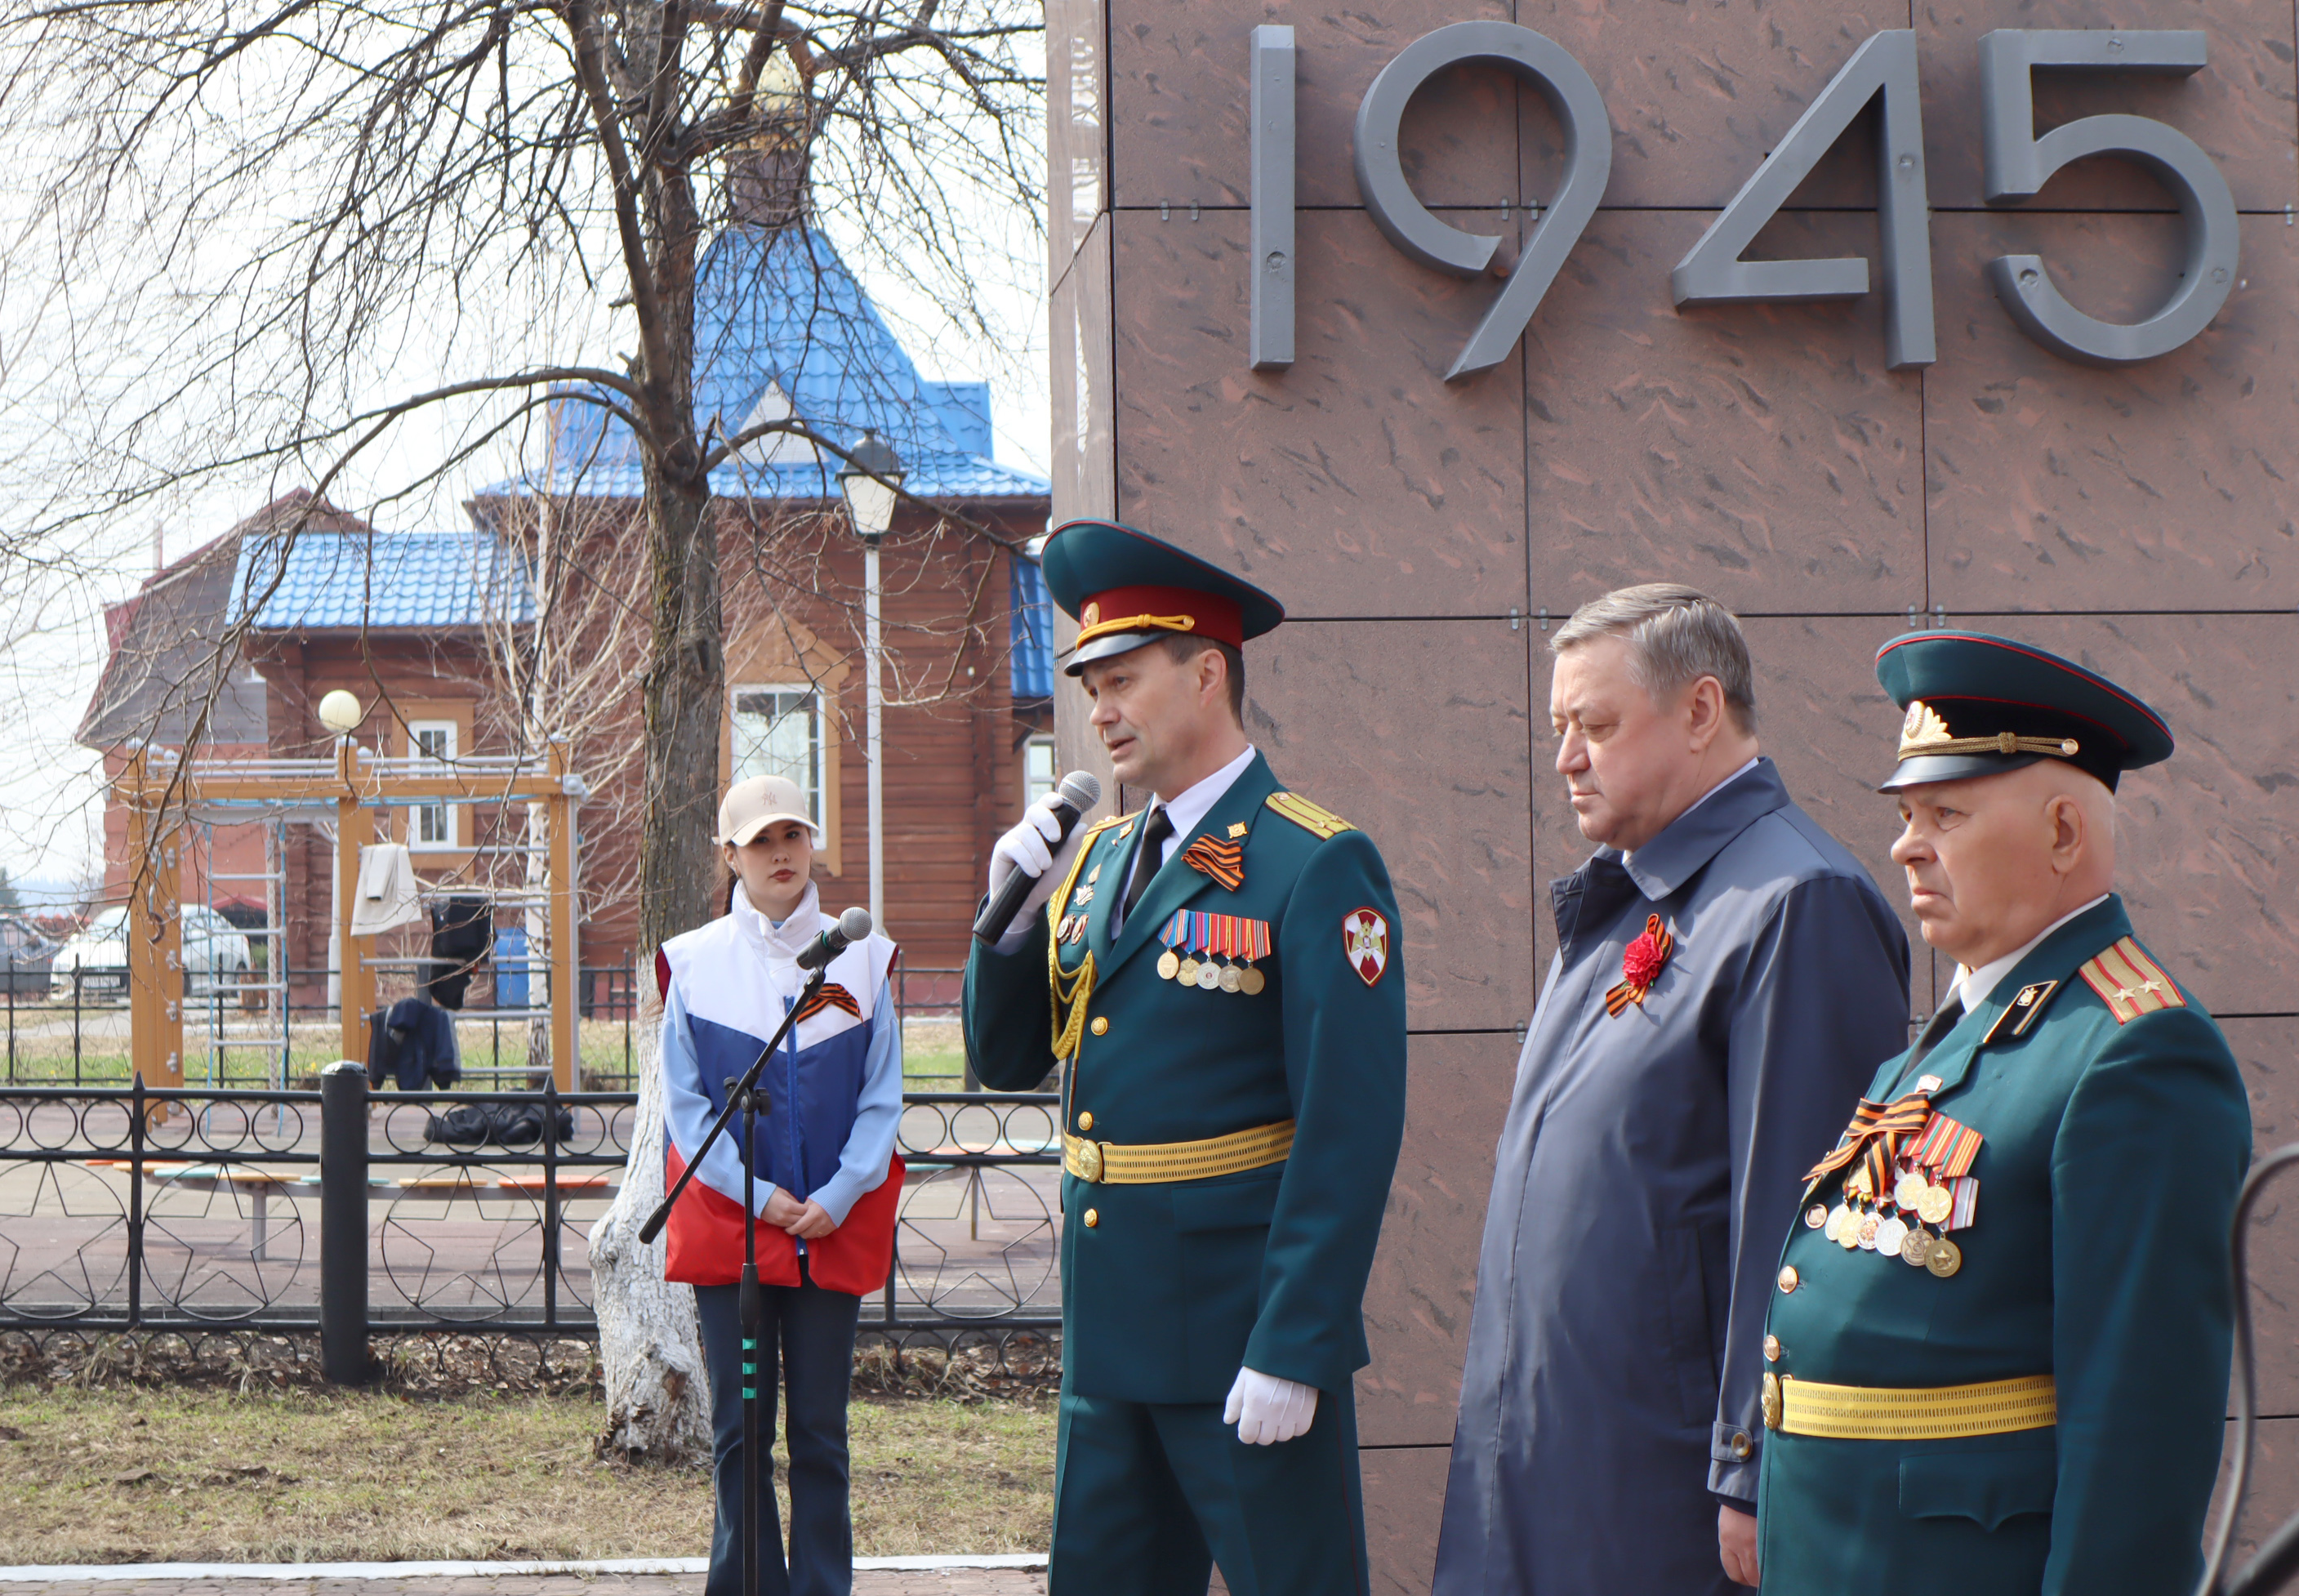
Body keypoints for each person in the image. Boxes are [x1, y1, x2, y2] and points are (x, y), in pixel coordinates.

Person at [1434, 584, 1912, 1594]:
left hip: (1660, 1497)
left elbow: (1797, 1223)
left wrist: (1752, 1463)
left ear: (1700, 711)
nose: (1566, 756)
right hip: (1547, 1469)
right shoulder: (1630, 893)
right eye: (1561, 726)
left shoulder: (1794, 903)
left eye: (1596, 725)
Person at [1752, 631, 2251, 1595]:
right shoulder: (1951, 1040)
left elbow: (2139, 1438)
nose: (1905, 842)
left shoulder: (2134, 1052)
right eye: (1906, 812)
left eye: (1947, 811)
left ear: (2065, 832)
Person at [962, 517, 1407, 1596]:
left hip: (1238, 1338)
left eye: (1122, 679)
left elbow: (1349, 1127)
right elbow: (1008, 1055)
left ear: (1207, 673)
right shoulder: (1105, 856)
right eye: (1090, 683)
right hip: (1112, 1341)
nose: (1100, 710)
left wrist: (1296, 1344)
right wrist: (1001, 920)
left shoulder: (1311, 861)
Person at [657, 773, 905, 1596]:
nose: (780, 854)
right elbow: (687, 1113)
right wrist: (760, 1196)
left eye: (792, 835)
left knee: (821, 1433)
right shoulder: (693, 965)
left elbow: (883, 1097)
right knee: (740, 1431)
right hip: (738, 1231)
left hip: (833, 1224)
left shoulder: (865, 954)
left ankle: (823, 1588)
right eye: (760, 841)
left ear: (813, 844)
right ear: (728, 855)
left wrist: (839, 1192)